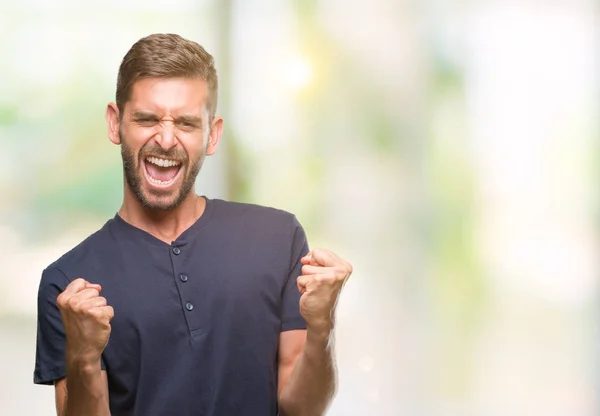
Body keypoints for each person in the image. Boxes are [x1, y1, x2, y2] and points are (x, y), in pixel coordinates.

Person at [33, 33, 353, 416]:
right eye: (147, 119)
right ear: (116, 124)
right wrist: (83, 358)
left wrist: (322, 328)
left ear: (211, 134)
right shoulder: (68, 282)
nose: (166, 140)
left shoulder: (278, 239)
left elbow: (303, 408)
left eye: (185, 123)